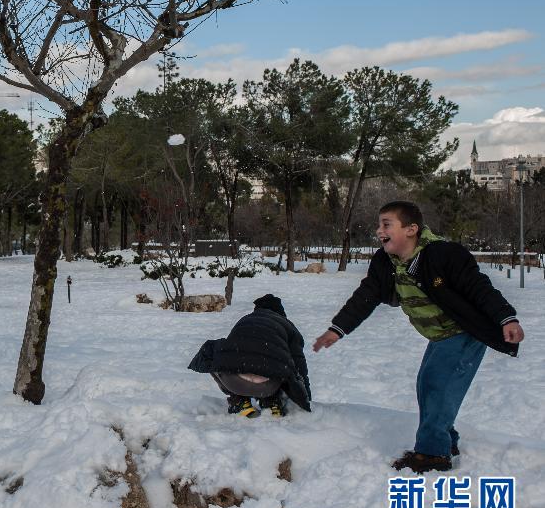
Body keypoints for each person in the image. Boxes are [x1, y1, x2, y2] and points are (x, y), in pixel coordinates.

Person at [312, 200, 524, 474]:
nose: (379, 230)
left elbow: (479, 288)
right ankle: (444, 441)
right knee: (427, 385)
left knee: (436, 385)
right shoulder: (385, 262)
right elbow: (365, 296)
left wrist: (506, 318)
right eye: (379, 225)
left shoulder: (443, 255)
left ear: (411, 229)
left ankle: (432, 455)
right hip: (440, 336)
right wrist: (337, 329)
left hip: (464, 332)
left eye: (386, 224)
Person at [188, 294, 311, 418]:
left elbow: (230, 353)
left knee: (219, 358)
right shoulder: (288, 326)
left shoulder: (246, 319)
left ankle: (238, 401)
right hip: (268, 387)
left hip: (234, 383)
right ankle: (272, 401)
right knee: (280, 365)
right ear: (281, 312)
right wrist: (306, 400)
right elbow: (299, 366)